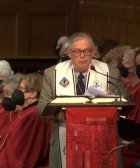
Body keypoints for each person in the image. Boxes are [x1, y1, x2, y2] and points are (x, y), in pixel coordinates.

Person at [37, 32, 126, 168]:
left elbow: (126, 101)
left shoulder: (110, 72)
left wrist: (114, 98)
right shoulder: (52, 73)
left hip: (101, 136)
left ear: (94, 51)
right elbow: (41, 107)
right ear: (68, 52)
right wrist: (61, 112)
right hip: (65, 134)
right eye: (77, 52)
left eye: (87, 51)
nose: (82, 56)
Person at [0, 73, 51, 168]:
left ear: (33, 93)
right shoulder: (23, 112)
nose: (16, 92)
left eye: (21, 89)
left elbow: (22, 151)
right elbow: (6, 142)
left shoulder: (33, 115)